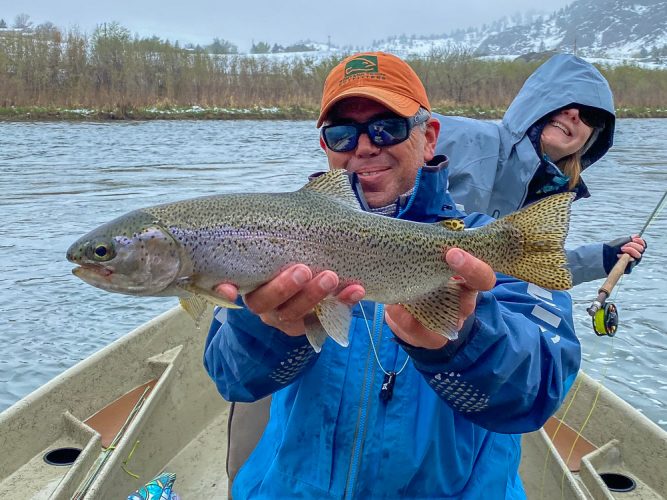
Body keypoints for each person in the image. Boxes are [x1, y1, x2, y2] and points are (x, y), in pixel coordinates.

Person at [204, 52, 580, 498]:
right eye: (343, 134)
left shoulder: (487, 251)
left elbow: (540, 391)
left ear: (428, 138)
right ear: (326, 148)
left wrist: (463, 338)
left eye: (388, 127)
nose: (364, 146)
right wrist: (269, 327)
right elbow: (232, 379)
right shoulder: (277, 238)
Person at [433, 53, 646, 286]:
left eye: (590, 115)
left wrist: (601, 259)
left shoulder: (552, 193)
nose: (574, 114)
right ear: (536, 102)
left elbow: (527, 269)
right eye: (563, 101)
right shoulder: (462, 136)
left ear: (592, 138)